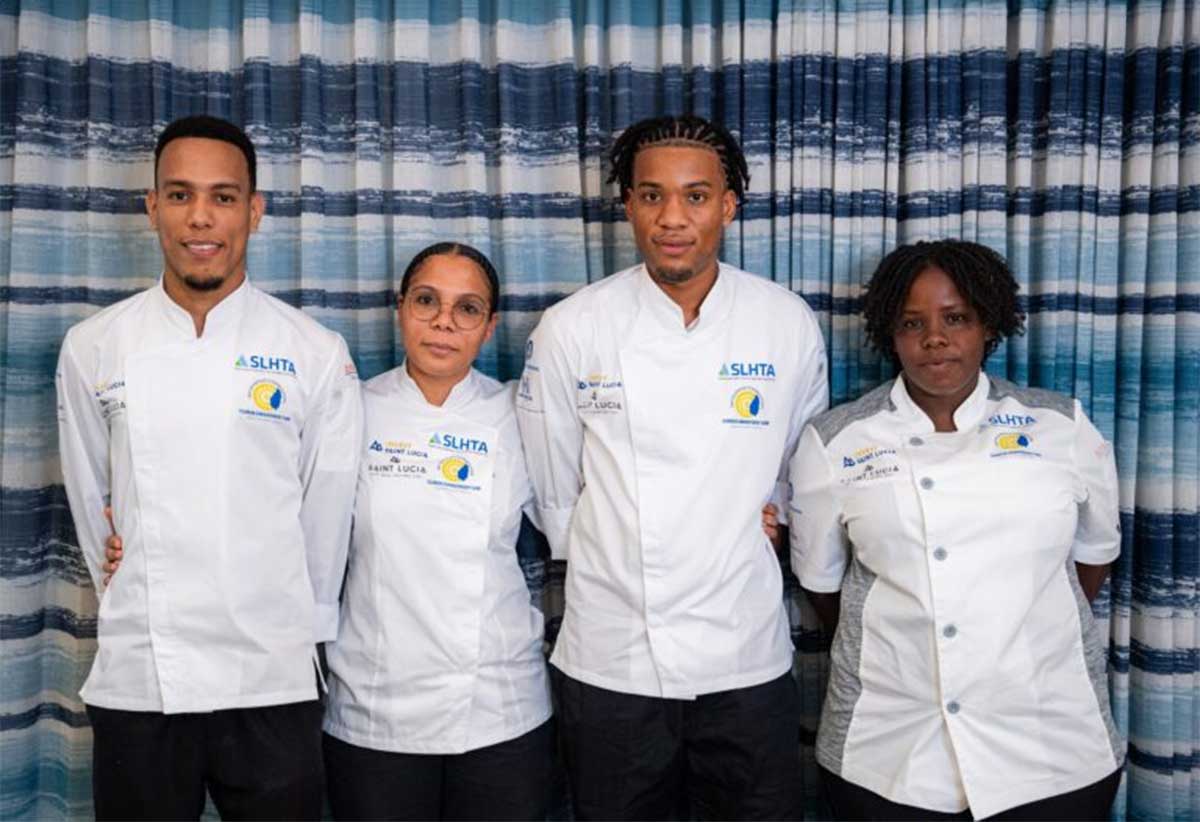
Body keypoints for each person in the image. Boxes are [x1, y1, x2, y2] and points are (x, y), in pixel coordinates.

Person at [515, 114, 829, 820]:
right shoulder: (574, 327)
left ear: (728, 204)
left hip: (745, 657)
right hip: (612, 659)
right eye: (652, 196)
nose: (672, 218)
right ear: (628, 205)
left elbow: (797, 472)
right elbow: (552, 488)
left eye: (695, 195)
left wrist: (768, 518)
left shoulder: (785, 323)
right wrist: (616, 554)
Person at [56, 115, 363, 821]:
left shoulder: (313, 351)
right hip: (142, 676)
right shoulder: (93, 345)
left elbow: (325, 516)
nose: (201, 217)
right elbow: (89, 500)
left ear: (254, 211)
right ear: (152, 206)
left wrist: (299, 630)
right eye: (181, 194)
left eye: (224, 197)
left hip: (273, 677)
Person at [789, 239, 1124, 820]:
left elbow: (1094, 557)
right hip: (890, 750)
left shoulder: (1060, 425)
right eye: (912, 323)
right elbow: (822, 584)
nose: (934, 338)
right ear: (889, 334)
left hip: (1050, 744)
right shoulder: (835, 441)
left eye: (956, 318)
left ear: (987, 326)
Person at [319, 242, 553, 820]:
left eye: (467, 308)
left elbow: (586, 522)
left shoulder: (517, 416)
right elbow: (293, 527)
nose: (444, 322)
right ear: (400, 308)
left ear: (489, 326)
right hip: (376, 709)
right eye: (427, 301)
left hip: (501, 708)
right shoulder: (351, 410)